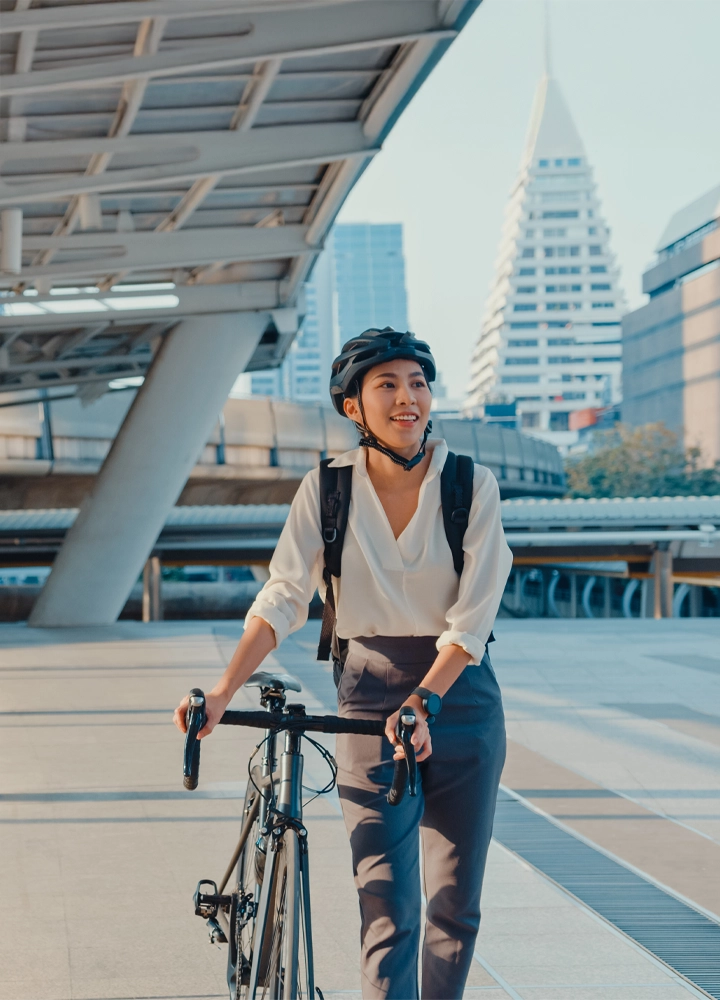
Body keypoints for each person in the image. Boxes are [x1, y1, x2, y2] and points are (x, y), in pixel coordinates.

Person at [174, 327, 512, 1000]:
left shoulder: (471, 486)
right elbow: (284, 596)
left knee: (455, 907)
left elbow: (472, 619)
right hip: (367, 701)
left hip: (460, 702)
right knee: (386, 908)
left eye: (417, 382)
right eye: (387, 385)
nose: (407, 397)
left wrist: (426, 702)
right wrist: (221, 690)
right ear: (353, 406)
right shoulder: (326, 490)